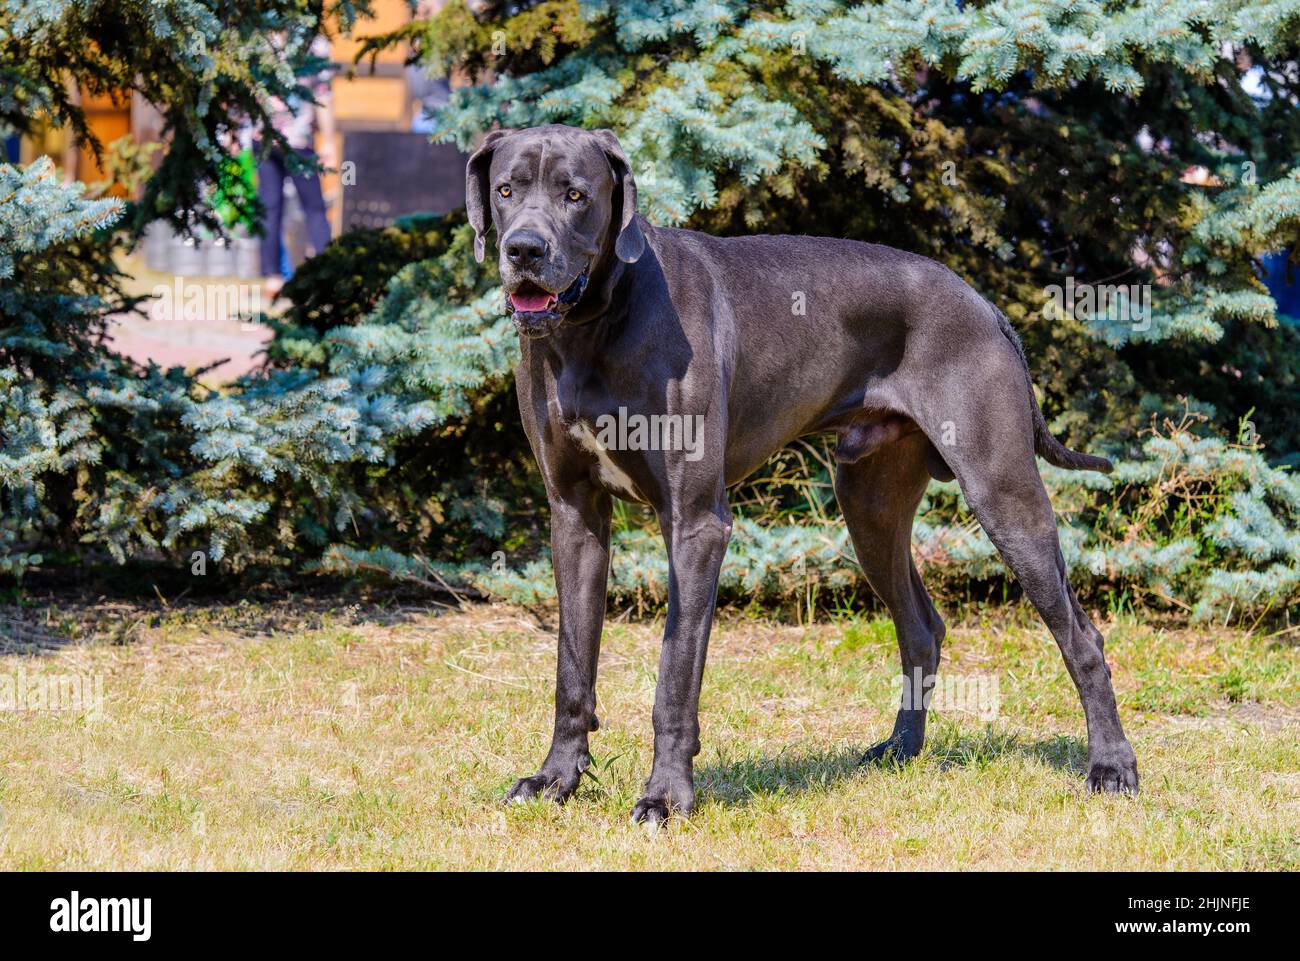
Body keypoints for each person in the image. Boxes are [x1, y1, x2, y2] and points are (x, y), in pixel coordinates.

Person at [258, 33, 338, 299]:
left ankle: (272, 278)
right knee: (314, 207)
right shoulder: (314, 41)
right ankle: (327, 272)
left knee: (270, 208)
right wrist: (327, 140)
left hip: (266, 136)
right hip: (297, 138)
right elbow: (323, 93)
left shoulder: (260, 34)